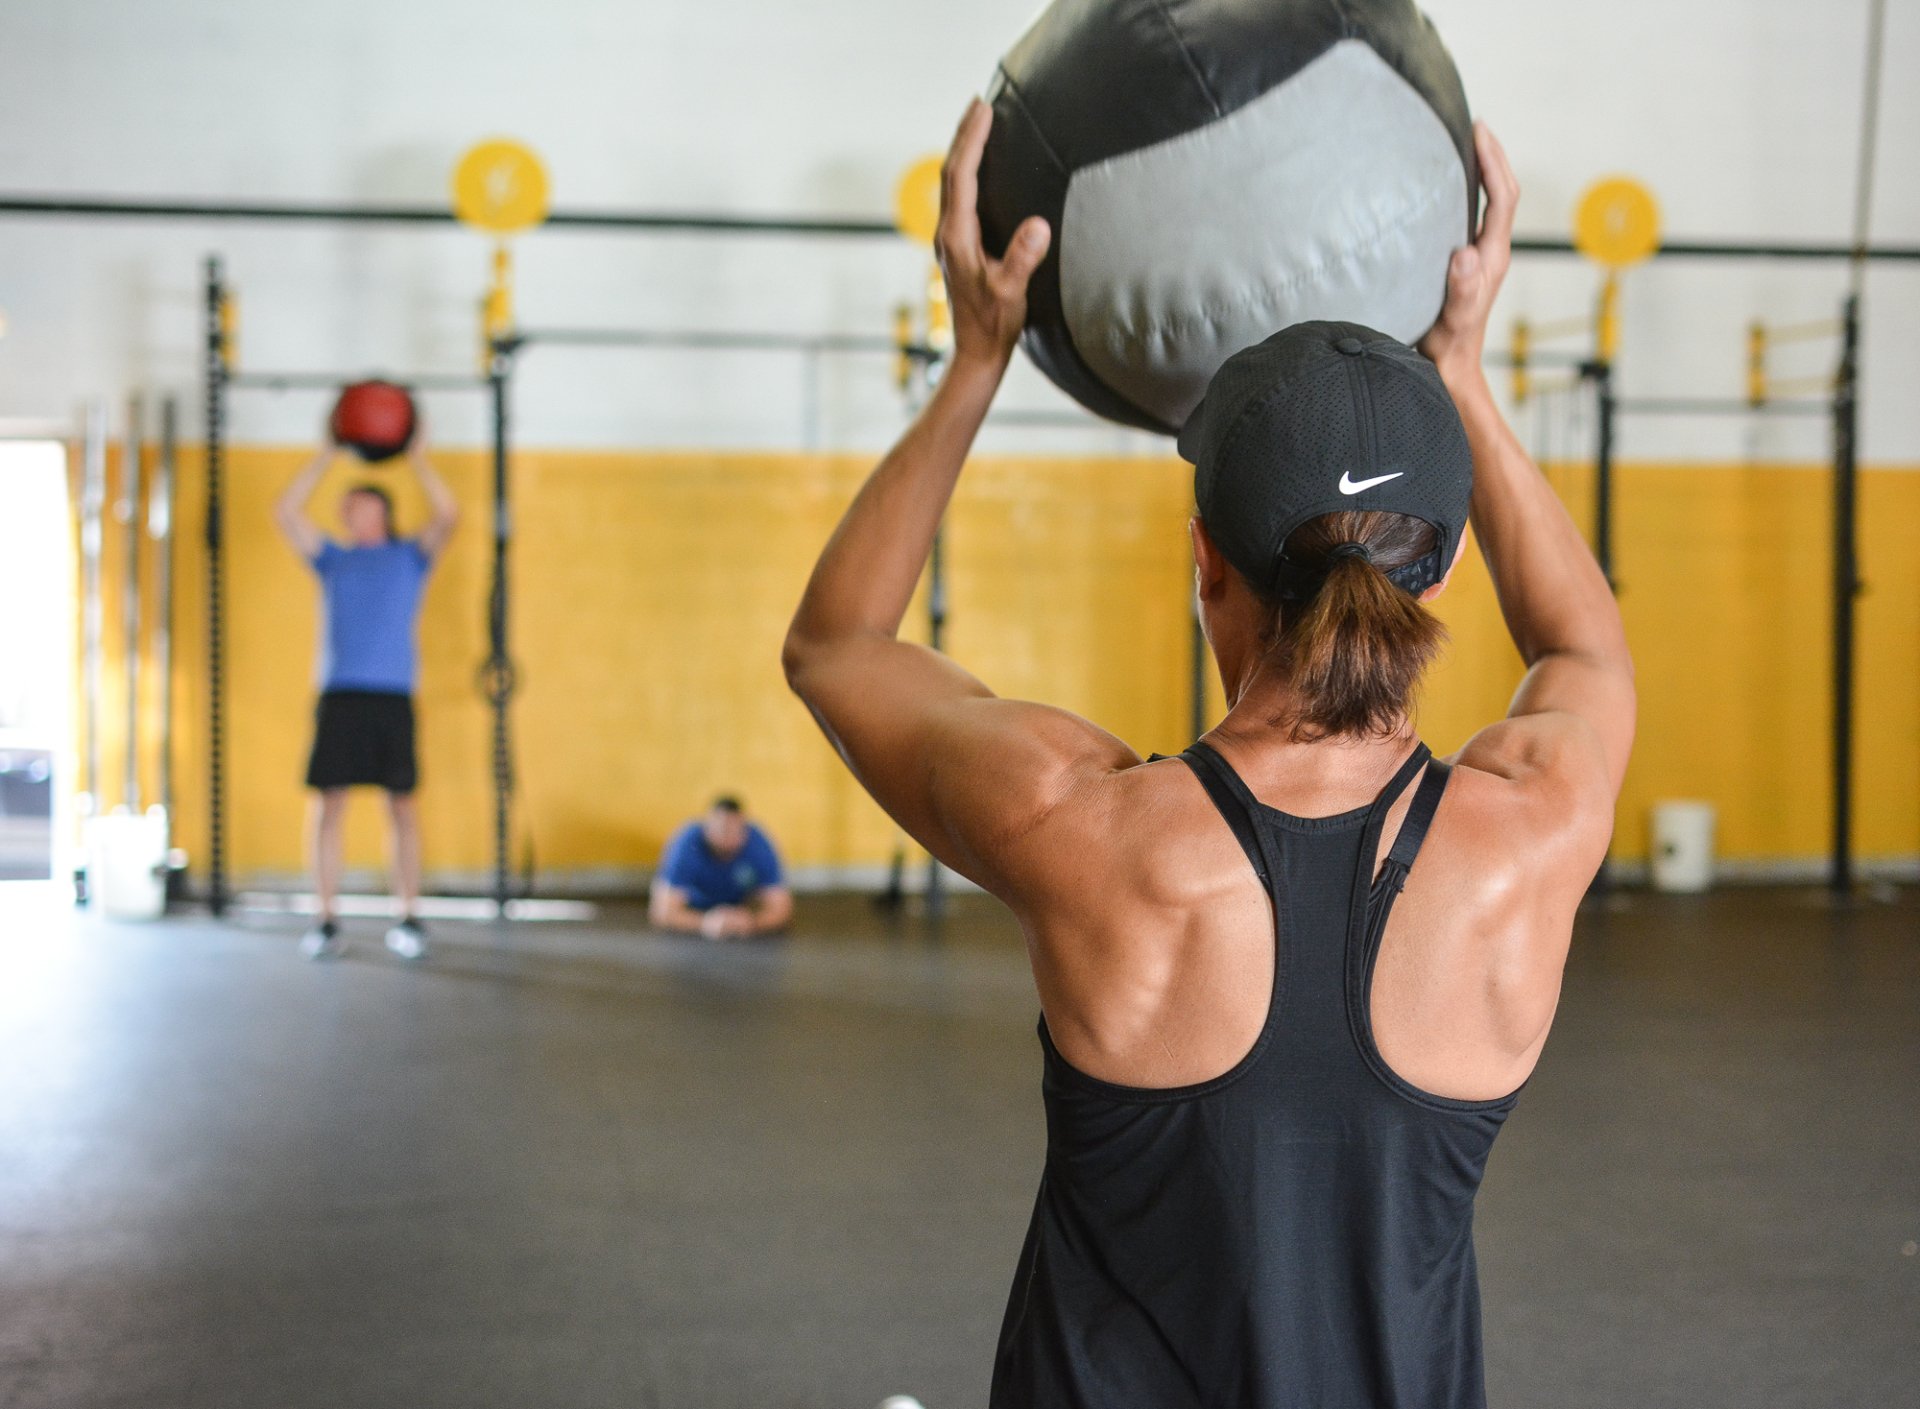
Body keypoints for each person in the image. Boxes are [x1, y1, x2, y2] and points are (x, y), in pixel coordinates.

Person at [783, 105, 1633, 1409]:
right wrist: (1461, 370)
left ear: (1204, 562)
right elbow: (1584, 641)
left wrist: (977, 361)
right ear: (1448, 566)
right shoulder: (1534, 829)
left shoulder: (1083, 825)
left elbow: (838, 647)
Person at [273, 419, 458, 961]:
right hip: (340, 694)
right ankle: (325, 918)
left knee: (401, 807)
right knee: (329, 805)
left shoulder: (409, 557)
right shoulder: (334, 558)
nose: (345, 513)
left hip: (392, 697)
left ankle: (408, 916)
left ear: (379, 510)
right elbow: (287, 512)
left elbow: (449, 515)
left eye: (354, 505)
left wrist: (419, 459)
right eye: (343, 508)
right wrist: (325, 455)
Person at [648, 796, 794, 939]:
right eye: (722, 830)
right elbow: (661, 912)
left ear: (744, 831)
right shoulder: (686, 844)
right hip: (694, 906)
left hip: (742, 908)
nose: (727, 838)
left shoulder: (758, 844)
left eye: (734, 831)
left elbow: (781, 909)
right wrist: (704, 923)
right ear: (707, 829)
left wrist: (751, 923)